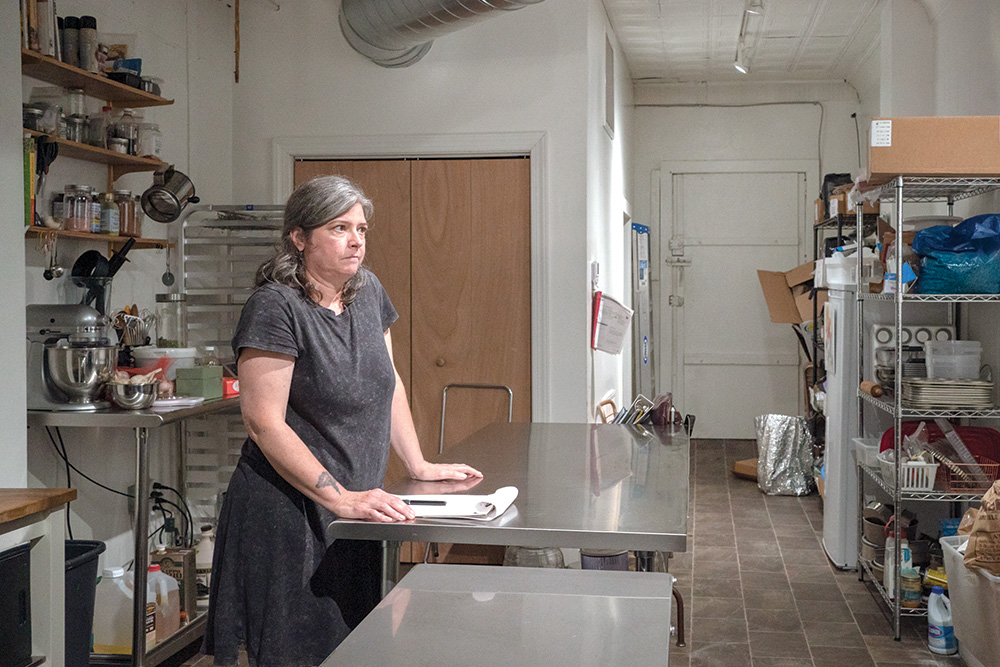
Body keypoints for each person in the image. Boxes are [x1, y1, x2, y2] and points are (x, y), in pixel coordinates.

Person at [203, 175, 483, 666]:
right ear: (299, 237)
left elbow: (388, 381)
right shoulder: (275, 307)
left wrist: (417, 463)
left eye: (362, 228)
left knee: (356, 646)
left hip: (356, 508)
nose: (356, 240)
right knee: (298, 653)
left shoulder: (368, 291)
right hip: (289, 512)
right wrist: (340, 498)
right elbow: (263, 423)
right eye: (339, 228)